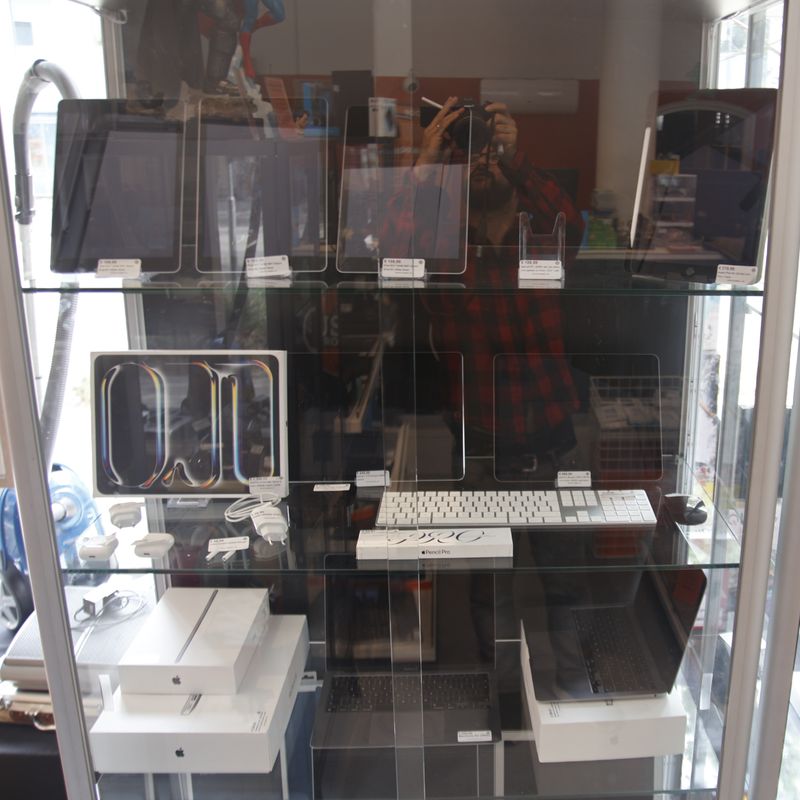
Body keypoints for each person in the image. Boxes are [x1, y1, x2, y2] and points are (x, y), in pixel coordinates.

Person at [381, 97, 585, 482]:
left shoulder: (540, 234)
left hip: (551, 428)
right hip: (476, 433)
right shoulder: (441, 240)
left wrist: (514, 157)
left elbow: (572, 224)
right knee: (479, 524)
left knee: (563, 525)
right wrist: (426, 163)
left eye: (493, 155)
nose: (482, 162)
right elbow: (390, 248)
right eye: (471, 156)